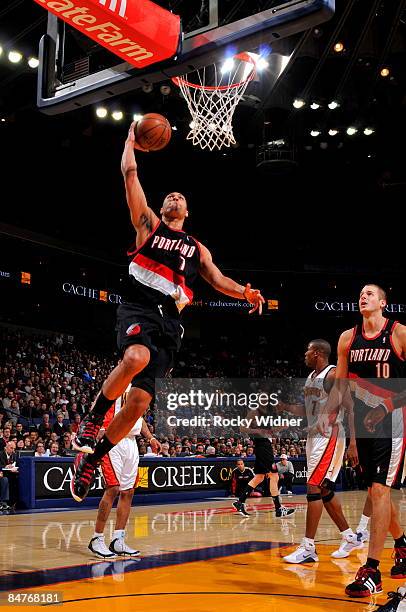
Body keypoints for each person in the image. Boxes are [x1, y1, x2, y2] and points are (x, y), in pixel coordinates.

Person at [71, 122, 264, 502]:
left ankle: (92, 458)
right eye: (170, 195)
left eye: (180, 196)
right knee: (135, 356)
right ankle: (92, 422)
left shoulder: (197, 247)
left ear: (187, 211)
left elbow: (217, 278)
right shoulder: (148, 226)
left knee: (140, 402)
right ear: (162, 207)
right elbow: (129, 174)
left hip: (170, 323)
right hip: (140, 305)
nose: (174, 196)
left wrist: (245, 292)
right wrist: (129, 142)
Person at [318, 285, 406, 597]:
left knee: (380, 490)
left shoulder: (399, 334)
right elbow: (342, 387)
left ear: (384, 303)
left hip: (394, 420)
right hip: (363, 423)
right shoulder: (347, 338)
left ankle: (372, 571)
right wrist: (328, 416)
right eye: (360, 293)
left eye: (370, 293)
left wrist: (386, 406)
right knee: (376, 490)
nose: (363, 296)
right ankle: (403, 546)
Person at [282, 339, 368, 564]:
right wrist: (285, 408)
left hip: (330, 435)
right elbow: (307, 410)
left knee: (313, 485)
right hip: (313, 436)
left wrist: (353, 444)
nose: (305, 354)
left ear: (318, 353)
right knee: (323, 488)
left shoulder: (332, 376)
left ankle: (308, 546)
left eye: (308, 351)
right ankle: (349, 537)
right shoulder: (311, 378)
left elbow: (350, 409)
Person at [88, 387, 159, 558]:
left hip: (131, 443)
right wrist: (94, 430)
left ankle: (118, 540)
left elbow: (139, 417)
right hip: (112, 439)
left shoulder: (140, 386)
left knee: (128, 492)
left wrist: (150, 438)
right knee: (113, 488)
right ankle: (97, 539)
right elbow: (95, 407)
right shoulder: (116, 382)